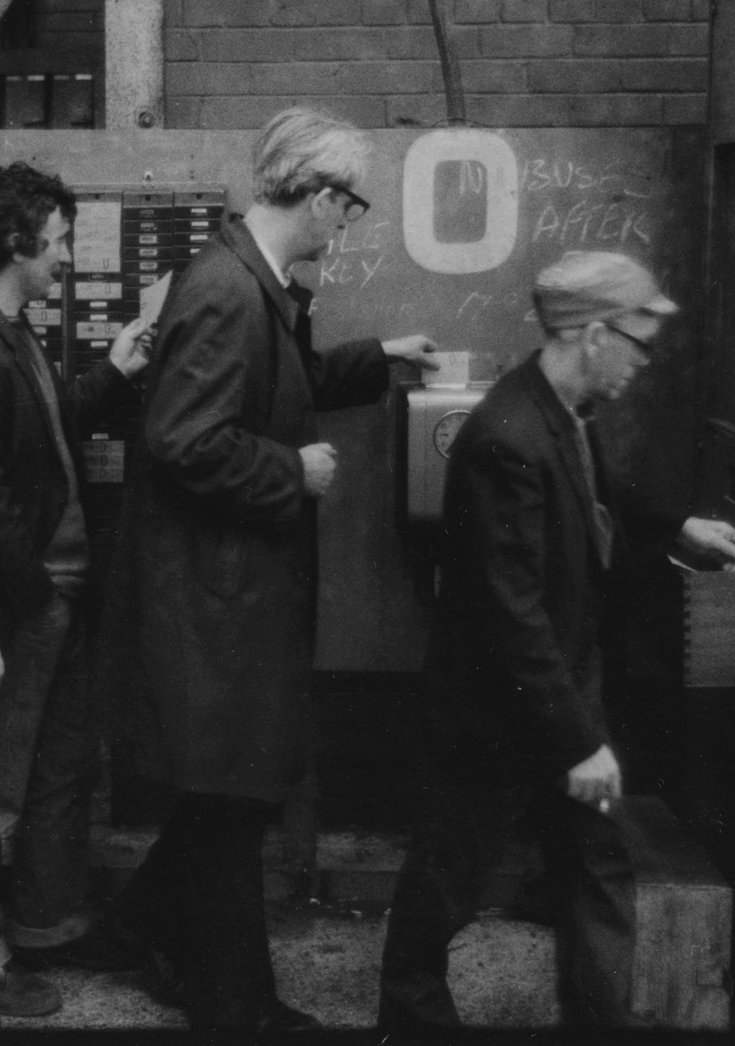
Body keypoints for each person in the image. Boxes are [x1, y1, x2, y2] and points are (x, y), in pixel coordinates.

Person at [110, 107, 439, 1029]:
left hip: (233, 591)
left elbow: (277, 382)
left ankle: (142, 920)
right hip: (215, 598)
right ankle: (238, 1008)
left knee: (232, 792)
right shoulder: (225, 290)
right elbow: (183, 438)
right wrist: (287, 469)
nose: (349, 223)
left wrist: (380, 359)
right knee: (230, 798)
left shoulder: (254, 281)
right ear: (323, 194)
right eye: (352, 206)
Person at [376, 250, 735, 1029]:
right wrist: (579, 740)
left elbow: (600, 497)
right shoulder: (506, 437)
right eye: (638, 343)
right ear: (591, 333)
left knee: (600, 866)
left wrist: (678, 526)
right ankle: (407, 1014)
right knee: (451, 878)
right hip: (497, 716)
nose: (643, 364)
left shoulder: (562, 413)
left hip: (560, 696)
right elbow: (510, 611)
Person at [0, 164, 151, 1016]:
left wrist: (116, 370)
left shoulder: (9, 327)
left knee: (58, 769)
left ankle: (48, 922)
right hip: (26, 601)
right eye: (57, 241)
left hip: (56, 593)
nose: (66, 256)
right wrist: (36, 601)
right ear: (17, 243)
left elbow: (45, 432)